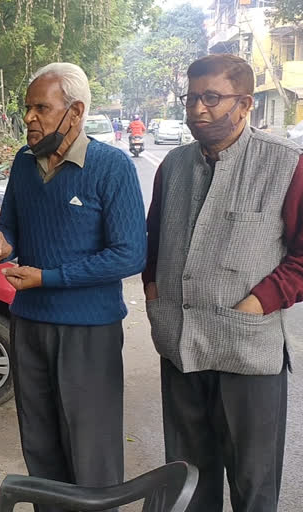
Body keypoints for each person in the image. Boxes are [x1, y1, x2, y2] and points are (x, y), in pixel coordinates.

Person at [0, 63, 147, 511]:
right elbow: (11, 226)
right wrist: (2, 243)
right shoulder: (23, 162)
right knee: (40, 440)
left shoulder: (111, 167)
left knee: (91, 448)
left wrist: (49, 278)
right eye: (27, 108)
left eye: (41, 108)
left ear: (74, 112)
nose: (29, 118)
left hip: (87, 331)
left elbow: (129, 255)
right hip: (29, 323)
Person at [144, 53, 303, 511]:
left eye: (212, 98)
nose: (197, 109)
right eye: (191, 98)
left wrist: (259, 302)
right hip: (182, 348)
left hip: (247, 354)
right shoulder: (173, 166)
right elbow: (155, 242)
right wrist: (155, 292)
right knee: (190, 480)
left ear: (246, 103)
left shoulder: (285, 164)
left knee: (253, 484)